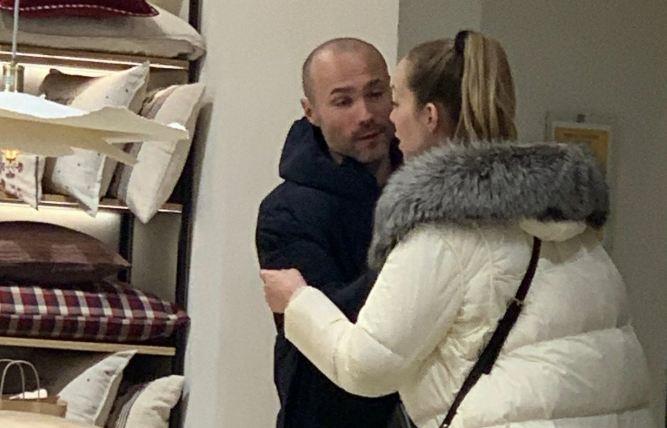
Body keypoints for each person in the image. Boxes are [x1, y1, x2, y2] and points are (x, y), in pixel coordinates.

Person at [261, 31, 654, 427]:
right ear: (310, 111)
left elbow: (366, 363)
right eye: (343, 101)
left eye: (387, 98)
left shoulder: (439, 229)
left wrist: (296, 302)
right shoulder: (567, 218)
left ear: (429, 116)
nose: (377, 115)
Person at [255, 38, 401, 427]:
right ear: (311, 112)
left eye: (376, 94)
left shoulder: (429, 184)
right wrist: (419, 259)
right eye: (343, 101)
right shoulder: (285, 212)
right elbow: (329, 323)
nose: (366, 114)